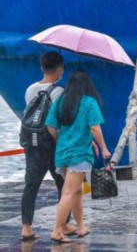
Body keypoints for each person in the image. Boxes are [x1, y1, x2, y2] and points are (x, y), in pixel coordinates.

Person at [45, 70, 111, 243]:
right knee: (69, 192)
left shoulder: (61, 101)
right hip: (79, 154)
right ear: (87, 85)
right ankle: (57, 231)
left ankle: (80, 227)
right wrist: (104, 149)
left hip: (62, 154)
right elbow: (95, 128)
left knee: (77, 191)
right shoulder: (89, 103)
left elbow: (50, 126)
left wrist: (61, 140)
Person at [20, 52, 77, 241]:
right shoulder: (59, 92)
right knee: (63, 183)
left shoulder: (30, 89)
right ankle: (63, 224)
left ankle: (26, 227)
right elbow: (60, 121)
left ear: (42, 67)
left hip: (32, 144)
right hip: (51, 144)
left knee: (31, 184)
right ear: (59, 69)